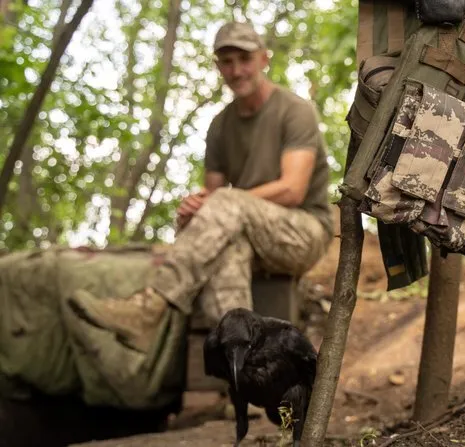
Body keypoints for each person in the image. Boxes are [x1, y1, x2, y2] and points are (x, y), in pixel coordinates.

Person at [68, 21, 334, 353]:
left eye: (244, 58)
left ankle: (150, 308)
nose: (236, 70)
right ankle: (245, 376)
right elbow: (213, 198)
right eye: (226, 61)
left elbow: (292, 190)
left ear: (264, 59)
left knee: (225, 204)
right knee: (224, 252)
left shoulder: (294, 110)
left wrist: (217, 202)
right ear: (217, 66)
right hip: (247, 231)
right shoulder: (220, 125)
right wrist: (192, 213)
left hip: (304, 232)